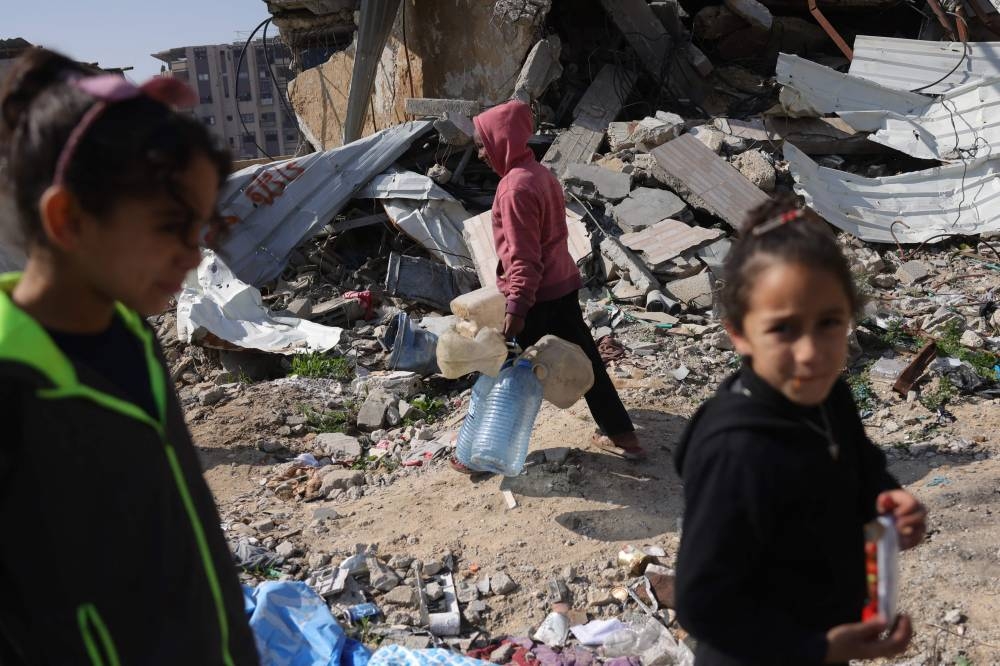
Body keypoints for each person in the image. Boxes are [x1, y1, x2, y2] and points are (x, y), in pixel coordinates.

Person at [0, 48, 259, 664]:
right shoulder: (13, 385)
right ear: (68, 217)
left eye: (202, 228)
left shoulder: (131, 334)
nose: (194, 256)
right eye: (170, 225)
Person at [673, 196, 927, 665]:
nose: (811, 353)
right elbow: (701, 602)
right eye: (784, 329)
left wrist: (888, 499)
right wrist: (817, 650)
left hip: (825, 633)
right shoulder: (737, 451)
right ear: (740, 334)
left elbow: (861, 464)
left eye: (828, 323)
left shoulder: (827, 398)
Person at [463, 99, 644, 466]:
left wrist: (516, 309)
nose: (481, 154)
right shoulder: (539, 173)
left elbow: (524, 259)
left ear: (503, 139)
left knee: (503, 373)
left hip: (538, 296)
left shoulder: (513, 189)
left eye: (483, 144)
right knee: (587, 361)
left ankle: (479, 453)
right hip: (562, 286)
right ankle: (623, 435)